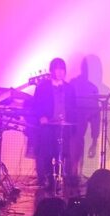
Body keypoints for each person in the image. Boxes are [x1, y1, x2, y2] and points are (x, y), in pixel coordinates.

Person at [32, 58, 77, 189]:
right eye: (57, 69)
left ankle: (61, 179)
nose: (60, 72)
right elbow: (36, 105)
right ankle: (47, 179)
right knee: (46, 153)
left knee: (62, 153)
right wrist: (41, 117)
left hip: (63, 126)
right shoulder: (43, 87)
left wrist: (73, 125)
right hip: (48, 125)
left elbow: (73, 108)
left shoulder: (69, 88)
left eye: (62, 69)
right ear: (52, 71)